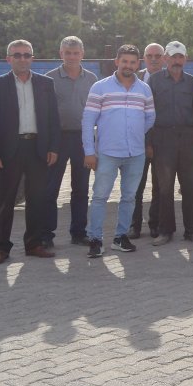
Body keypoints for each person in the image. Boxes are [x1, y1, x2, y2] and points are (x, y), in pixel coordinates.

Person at [0, 39, 61, 264]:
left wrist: (54, 147)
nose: (22, 59)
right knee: (6, 201)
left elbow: (53, 119)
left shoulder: (46, 84)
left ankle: (34, 244)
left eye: (27, 55)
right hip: (9, 150)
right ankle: (2, 248)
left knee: (37, 199)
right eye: (17, 55)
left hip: (38, 148)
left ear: (32, 58)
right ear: (8, 59)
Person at [82, 45, 155, 258]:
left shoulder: (144, 89)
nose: (128, 66)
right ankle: (95, 239)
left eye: (133, 62)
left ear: (138, 64)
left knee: (129, 197)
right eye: (124, 61)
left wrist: (133, 133)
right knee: (99, 196)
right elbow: (88, 121)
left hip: (136, 153)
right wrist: (89, 151)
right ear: (117, 61)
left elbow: (151, 117)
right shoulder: (100, 87)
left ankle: (120, 237)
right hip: (107, 153)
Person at [44, 36, 98, 246]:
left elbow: (97, 111)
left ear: (82, 55)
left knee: (81, 188)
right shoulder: (49, 79)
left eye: (76, 53)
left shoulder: (92, 79)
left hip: (83, 139)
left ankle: (78, 233)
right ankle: (46, 235)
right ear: (61, 54)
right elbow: (46, 113)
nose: (72, 57)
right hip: (57, 139)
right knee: (51, 189)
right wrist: (49, 144)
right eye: (68, 53)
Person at [148, 40, 193, 245]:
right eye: (173, 57)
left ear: (185, 59)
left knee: (191, 186)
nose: (176, 61)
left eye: (180, 57)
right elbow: (147, 113)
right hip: (162, 138)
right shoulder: (153, 81)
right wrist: (149, 143)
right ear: (165, 59)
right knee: (165, 188)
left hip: (188, 139)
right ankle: (165, 231)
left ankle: (192, 231)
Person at [129, 42, 166, 239]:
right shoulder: (134, 80)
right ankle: (134, 226)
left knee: (159, 186)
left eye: (157, 56)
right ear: (144, 58)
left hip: (162, 143)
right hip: (138, 142)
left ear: (164, 58)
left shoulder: (170, 79)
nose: (153, 59)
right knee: (136, 186)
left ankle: (155, 224)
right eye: (150, 55)